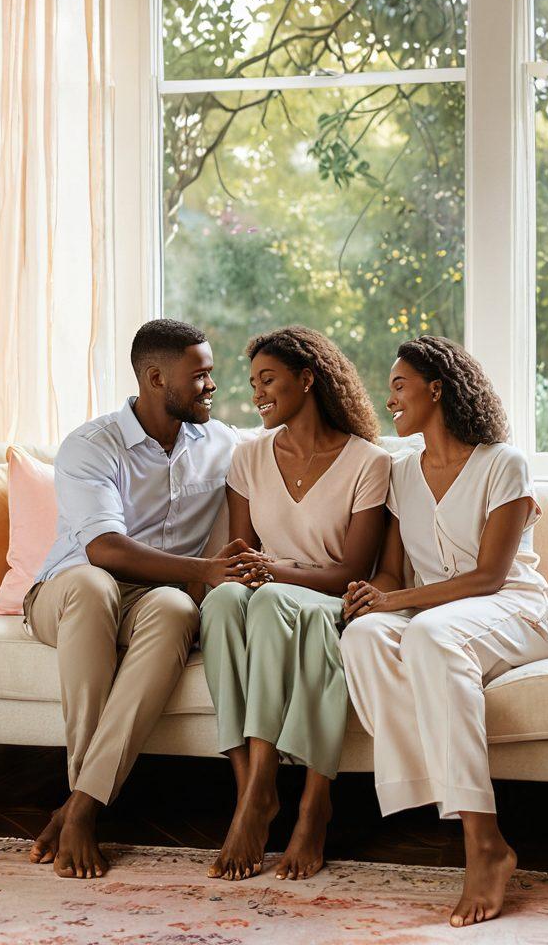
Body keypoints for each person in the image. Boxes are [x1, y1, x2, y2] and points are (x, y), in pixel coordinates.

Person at [339, 336, 548, 929]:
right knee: (363, 638)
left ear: (436, 389)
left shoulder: (502, 464)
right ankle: (432, 790)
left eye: (399, 385)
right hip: (438, 614)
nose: (389, 399)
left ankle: (485, 841)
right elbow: (391, 571)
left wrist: (397, 601)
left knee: (430, 636)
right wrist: (372, 602)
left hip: (515, 609)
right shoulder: (400, 472)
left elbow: (490, 575)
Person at [24, 319, 247, 879]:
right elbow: (103, 549)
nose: (211, 386)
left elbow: (290, 456)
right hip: (70, 589)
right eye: (200, 375)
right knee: (94, 586)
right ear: (155, 378)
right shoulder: (92, 445)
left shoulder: (223, 444)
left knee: (176, 608)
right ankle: (86, 801)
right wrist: (206, 569)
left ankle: (80, 806)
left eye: (211, 373)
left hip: (155, 599)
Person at [199, 326, 390, 883]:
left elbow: (354, 571)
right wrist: (257, 574)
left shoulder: (368, 463)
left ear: (307, 379)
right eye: (252, 381)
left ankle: (284, 797)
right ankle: (248, 792)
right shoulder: (248, 457)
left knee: (266, 600)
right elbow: (241, 555)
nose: (256, 392)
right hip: (265, 594)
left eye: (268, 379)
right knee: (221, 603)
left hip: (327, 599)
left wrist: (274, 573)